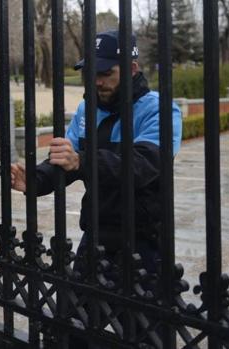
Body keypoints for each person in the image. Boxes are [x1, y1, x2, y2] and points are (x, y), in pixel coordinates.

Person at [10, 30, 182, 346]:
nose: (97, 81)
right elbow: (66, 159)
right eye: (93, 74)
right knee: (72, 326)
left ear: (131, 69)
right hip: (98, 236)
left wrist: (83, 162)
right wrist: (36, 180)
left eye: (106, 73)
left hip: (145, 240)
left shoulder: (158, 109)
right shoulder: (87, 110)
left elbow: (142, 166)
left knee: (147, 333)